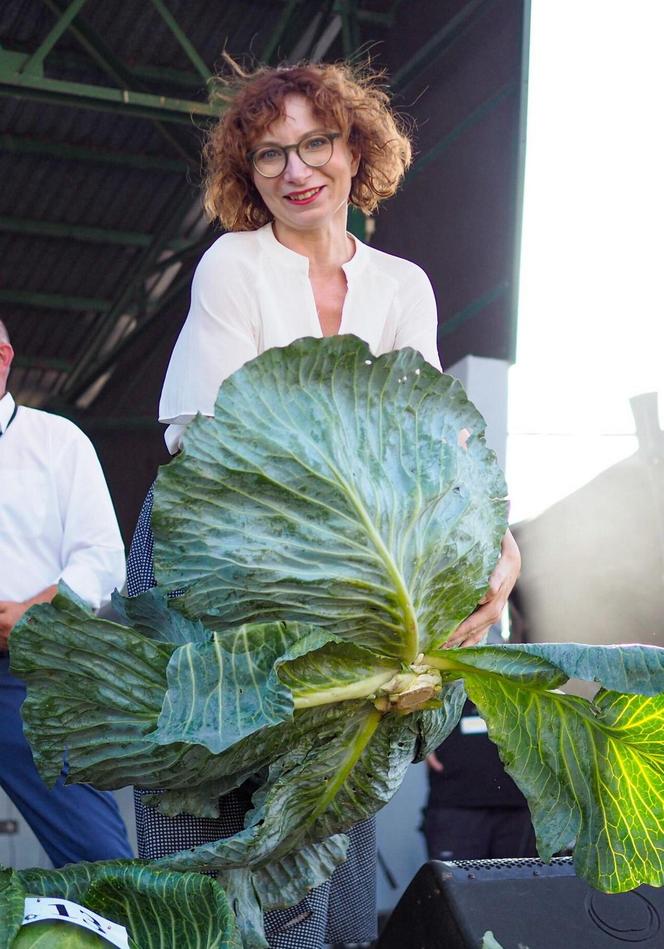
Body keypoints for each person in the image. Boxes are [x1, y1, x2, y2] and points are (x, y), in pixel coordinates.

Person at [127, 57, 521, 948]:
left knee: (320, 804)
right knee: (205, 781)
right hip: (214, 554)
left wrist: (493, 542)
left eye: (316, 143)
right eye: (269, 155)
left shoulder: (402, 286)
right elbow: (209, 439)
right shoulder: (234, 264)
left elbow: (429, 442)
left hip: (336, 571)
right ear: (246, 173)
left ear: (356, 149)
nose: (295, 170)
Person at [0, 319, 132, 867]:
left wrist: (34, 615)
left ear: (3, 356)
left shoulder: (56, 440)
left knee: (100, 862)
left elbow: (104, 560)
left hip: (34, 676)